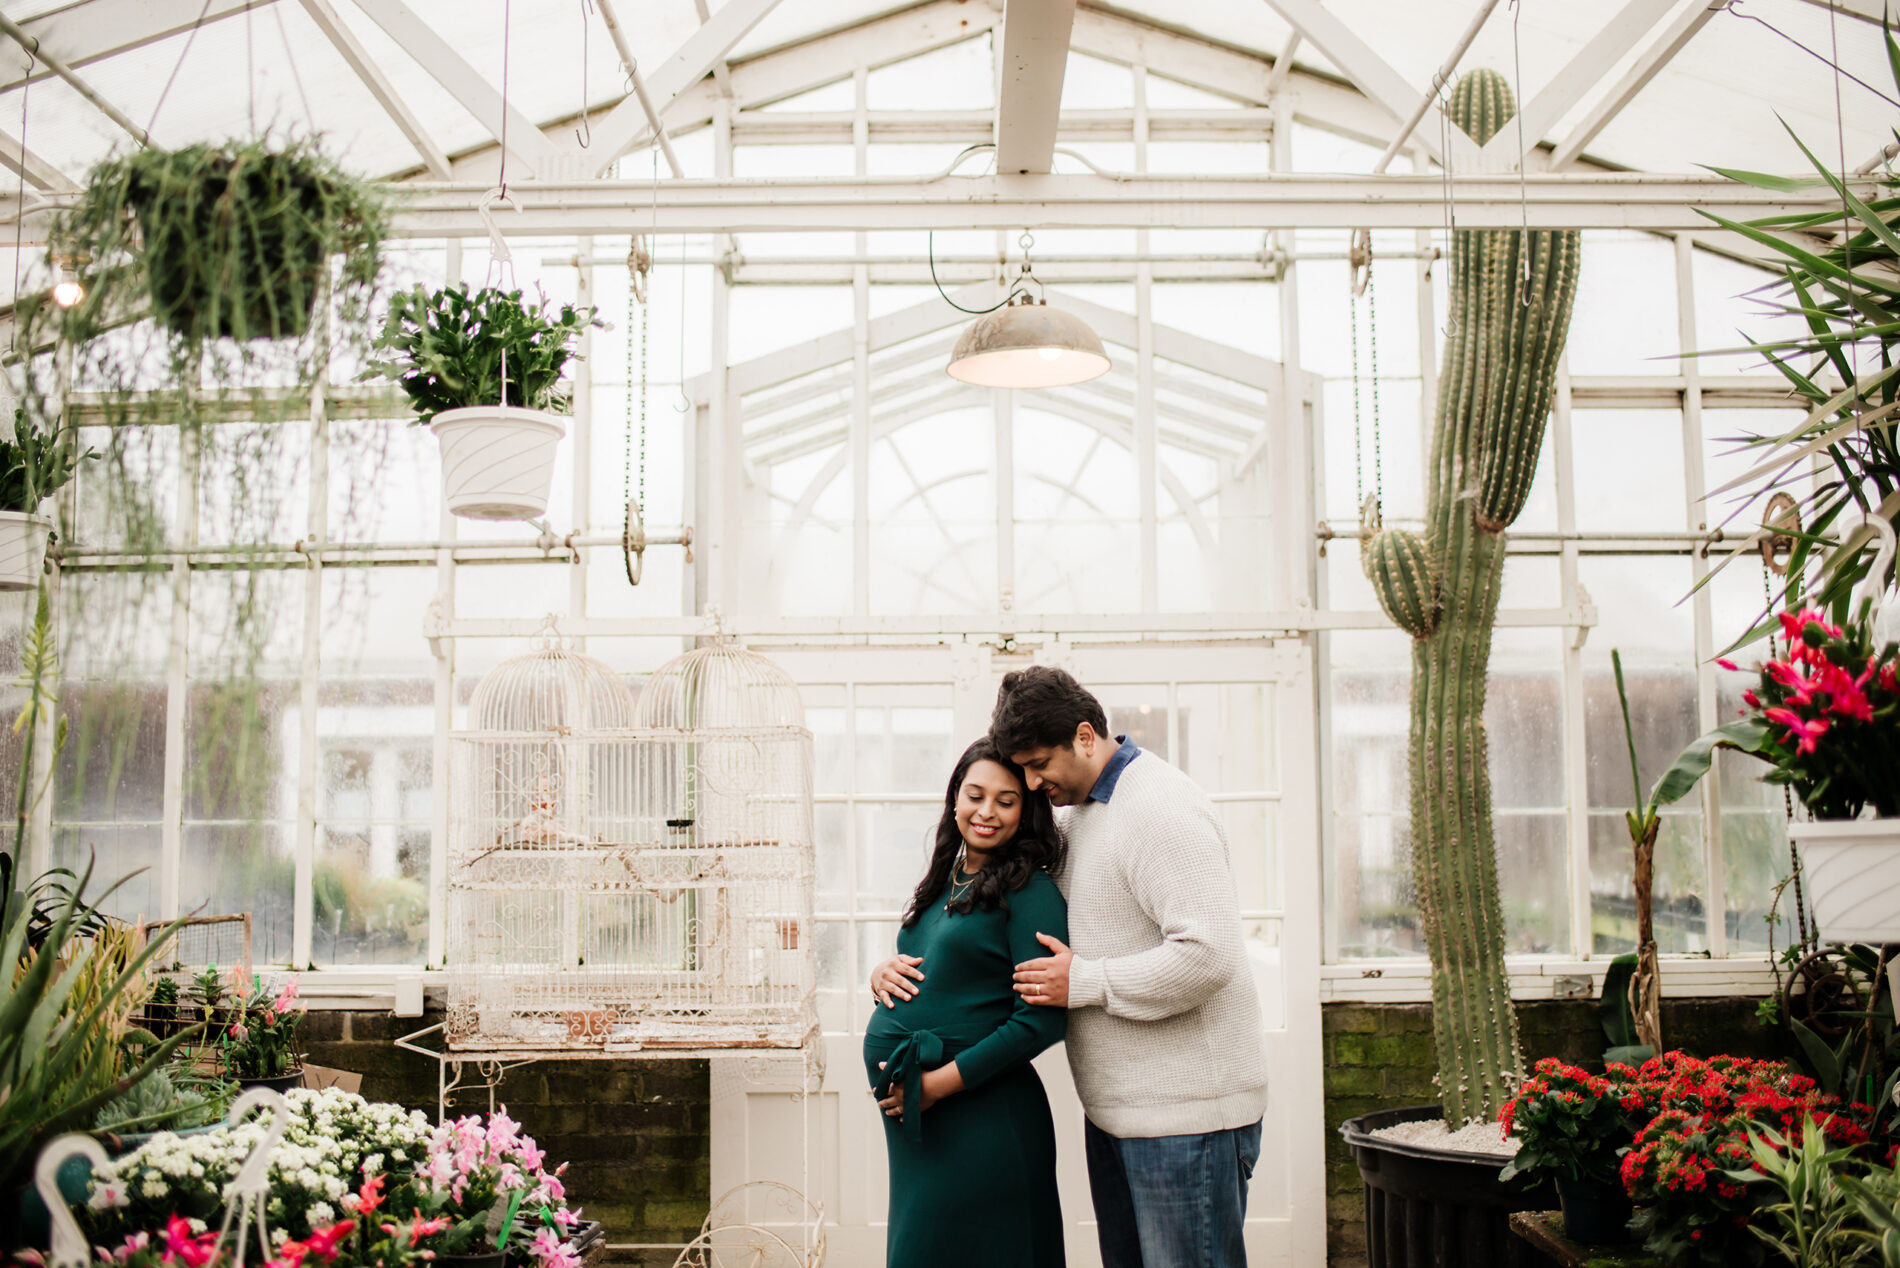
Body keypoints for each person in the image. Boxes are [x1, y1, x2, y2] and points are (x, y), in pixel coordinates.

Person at [999, 665, 1267, 1268]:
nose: (1033, 781)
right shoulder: (1076, 813)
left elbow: (1209, 954)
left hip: (1186, 1124)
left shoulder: (1159, 807)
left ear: (1087, 736)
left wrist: (1085, 982)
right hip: (1120, 1117)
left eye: (1040, 763)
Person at [862, 736, 1069, 1268]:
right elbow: (940, 969)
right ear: (955, 796)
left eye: (1006, 800)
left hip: (981, 1117)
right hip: (923, 1123)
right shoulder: (944, 878)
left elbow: (1039, 1023)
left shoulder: (1030, 891)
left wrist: (935, 1085)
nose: (987, 812)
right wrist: (881, 972)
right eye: (975, 795)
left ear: (1025, 813)